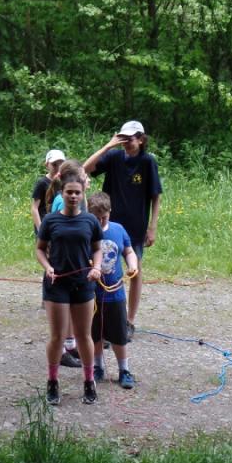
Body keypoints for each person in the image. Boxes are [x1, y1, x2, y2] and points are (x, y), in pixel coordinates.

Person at [83, 121, 162, 340]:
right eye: (123, 138)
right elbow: (84, 169)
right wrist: (108, 146)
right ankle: (100, 318)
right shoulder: (113, 157)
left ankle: (129, 321)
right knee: (103, 268)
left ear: (141, 139)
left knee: (134, 270)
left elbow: (156, 196)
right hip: (107, 224)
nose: (127, 142)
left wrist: (152, 227)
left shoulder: (148, 162)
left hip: (135, 226)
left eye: (131, 138)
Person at [36, 171, 103, 406]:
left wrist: (97, 267)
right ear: (62, 193)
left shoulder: (90, 221)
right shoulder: (51, 220)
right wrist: (47, 267)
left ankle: (88, 381)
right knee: (57, 336)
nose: (73, 196)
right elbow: (40, 249)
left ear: (83, 194)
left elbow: (97, 248)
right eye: (69, 192)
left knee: (84, 335)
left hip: (83, 283)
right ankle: (53, 382)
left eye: (77, 192)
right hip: (56, 284)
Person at [30, 150, 81, 369]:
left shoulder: (70, 193)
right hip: (57, 254)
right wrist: (43, 231)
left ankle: (70, 344)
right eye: (55, 164)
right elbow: (36, 208)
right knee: (59, 300)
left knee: (69, 303)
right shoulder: (58, 195)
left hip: (67, 258)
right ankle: (62, 349)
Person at [88, 192, 140, 389]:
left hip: (115, 293)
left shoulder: (118, 229)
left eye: (104, 217)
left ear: (110, 212)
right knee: (95, 334)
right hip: (92, 294)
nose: (101, 221)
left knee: (119, 334)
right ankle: (97, 366)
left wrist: (132, 265)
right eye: (96, 217)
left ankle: (124, 370)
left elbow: (128, 250)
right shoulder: (87, 231)